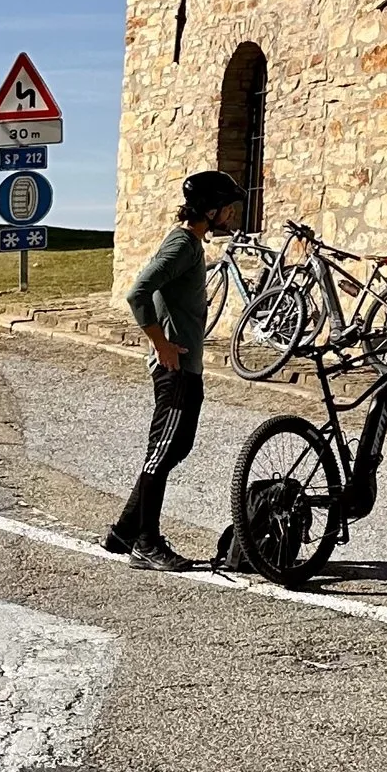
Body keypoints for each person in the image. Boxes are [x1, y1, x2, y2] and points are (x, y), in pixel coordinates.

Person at [104, 168, 243, 569]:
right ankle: (146, 544)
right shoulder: (182, 244)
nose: (232, 217)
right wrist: (160, 343)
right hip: (175, 369)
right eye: (228, 209)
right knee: (161, 454)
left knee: (173, 447)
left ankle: (124, 532)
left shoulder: (191, 244)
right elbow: (137, 293)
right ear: (211, 210)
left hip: (187, 368)